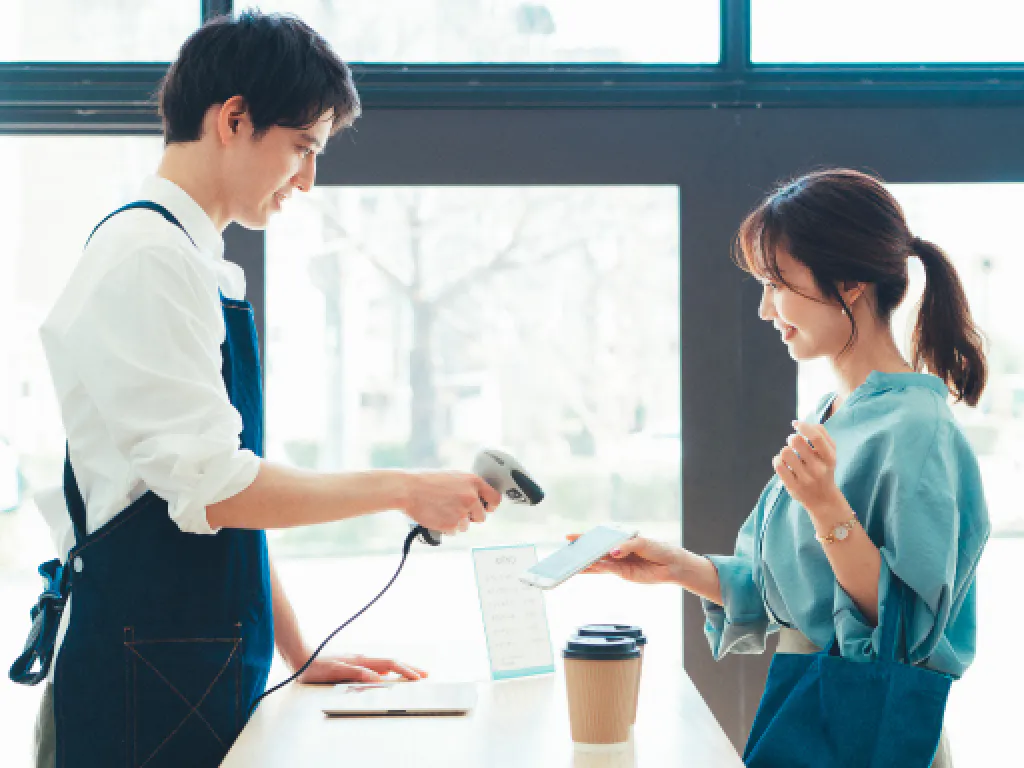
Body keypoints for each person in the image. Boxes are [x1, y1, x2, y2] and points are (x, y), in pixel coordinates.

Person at [17, 11, 501, 768]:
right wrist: (406, 489)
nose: (308, 179)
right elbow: (218, 491)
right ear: (234, 120)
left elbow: (225, 493)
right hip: (134, 692)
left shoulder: (191, 264)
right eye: (303, 147)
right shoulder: (146, 260)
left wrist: (299, 649)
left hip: (188, 671)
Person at [577, 168, 989, 767]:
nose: (766, 308)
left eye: (777, 283)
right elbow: (796, 591)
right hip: (815, 712)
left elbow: (903, 629)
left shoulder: (919, 429)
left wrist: (826, 507)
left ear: (848, 282)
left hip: (869, 730)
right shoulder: (834, 412)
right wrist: (677, 567)